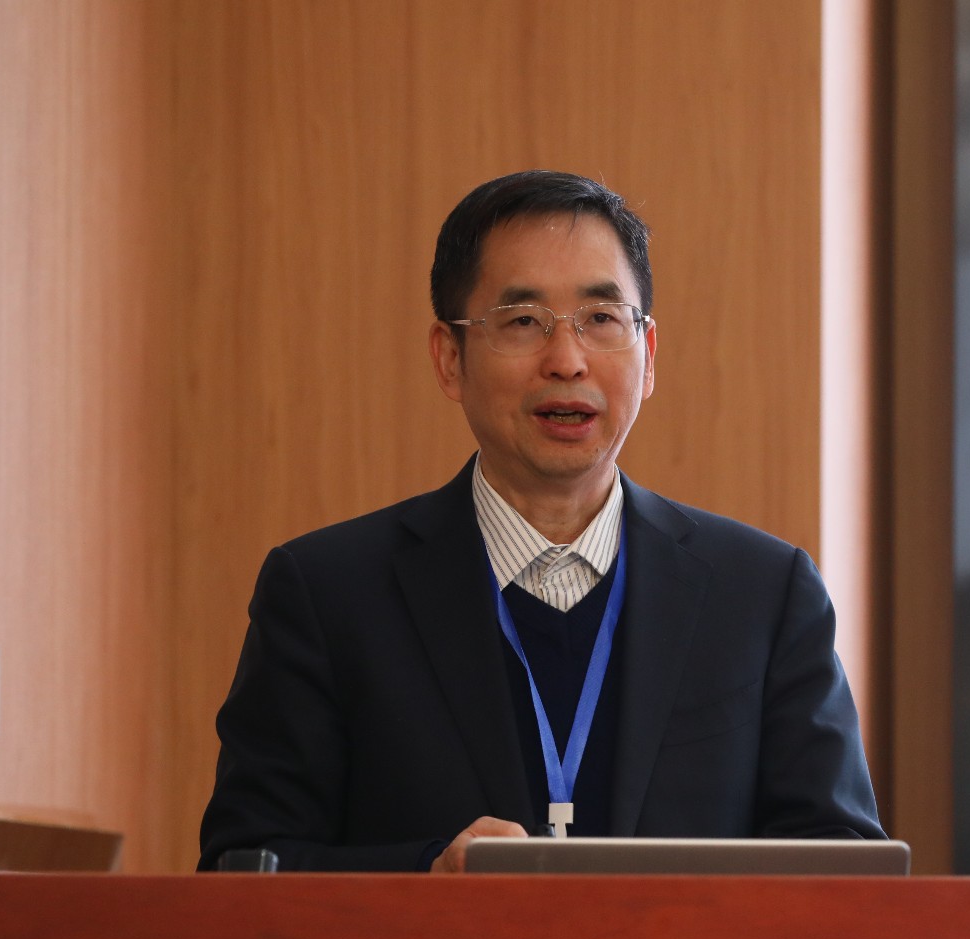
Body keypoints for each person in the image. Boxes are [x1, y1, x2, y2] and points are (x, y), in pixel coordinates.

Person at [198, 170, 881, 873]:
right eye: (523, 322)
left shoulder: (763, 595)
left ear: (647, 355)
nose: (567, 361)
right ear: (450, 358)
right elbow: (241, 868)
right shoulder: (328, 594)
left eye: (601, 318)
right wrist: (427, 876)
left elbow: (846, 870)